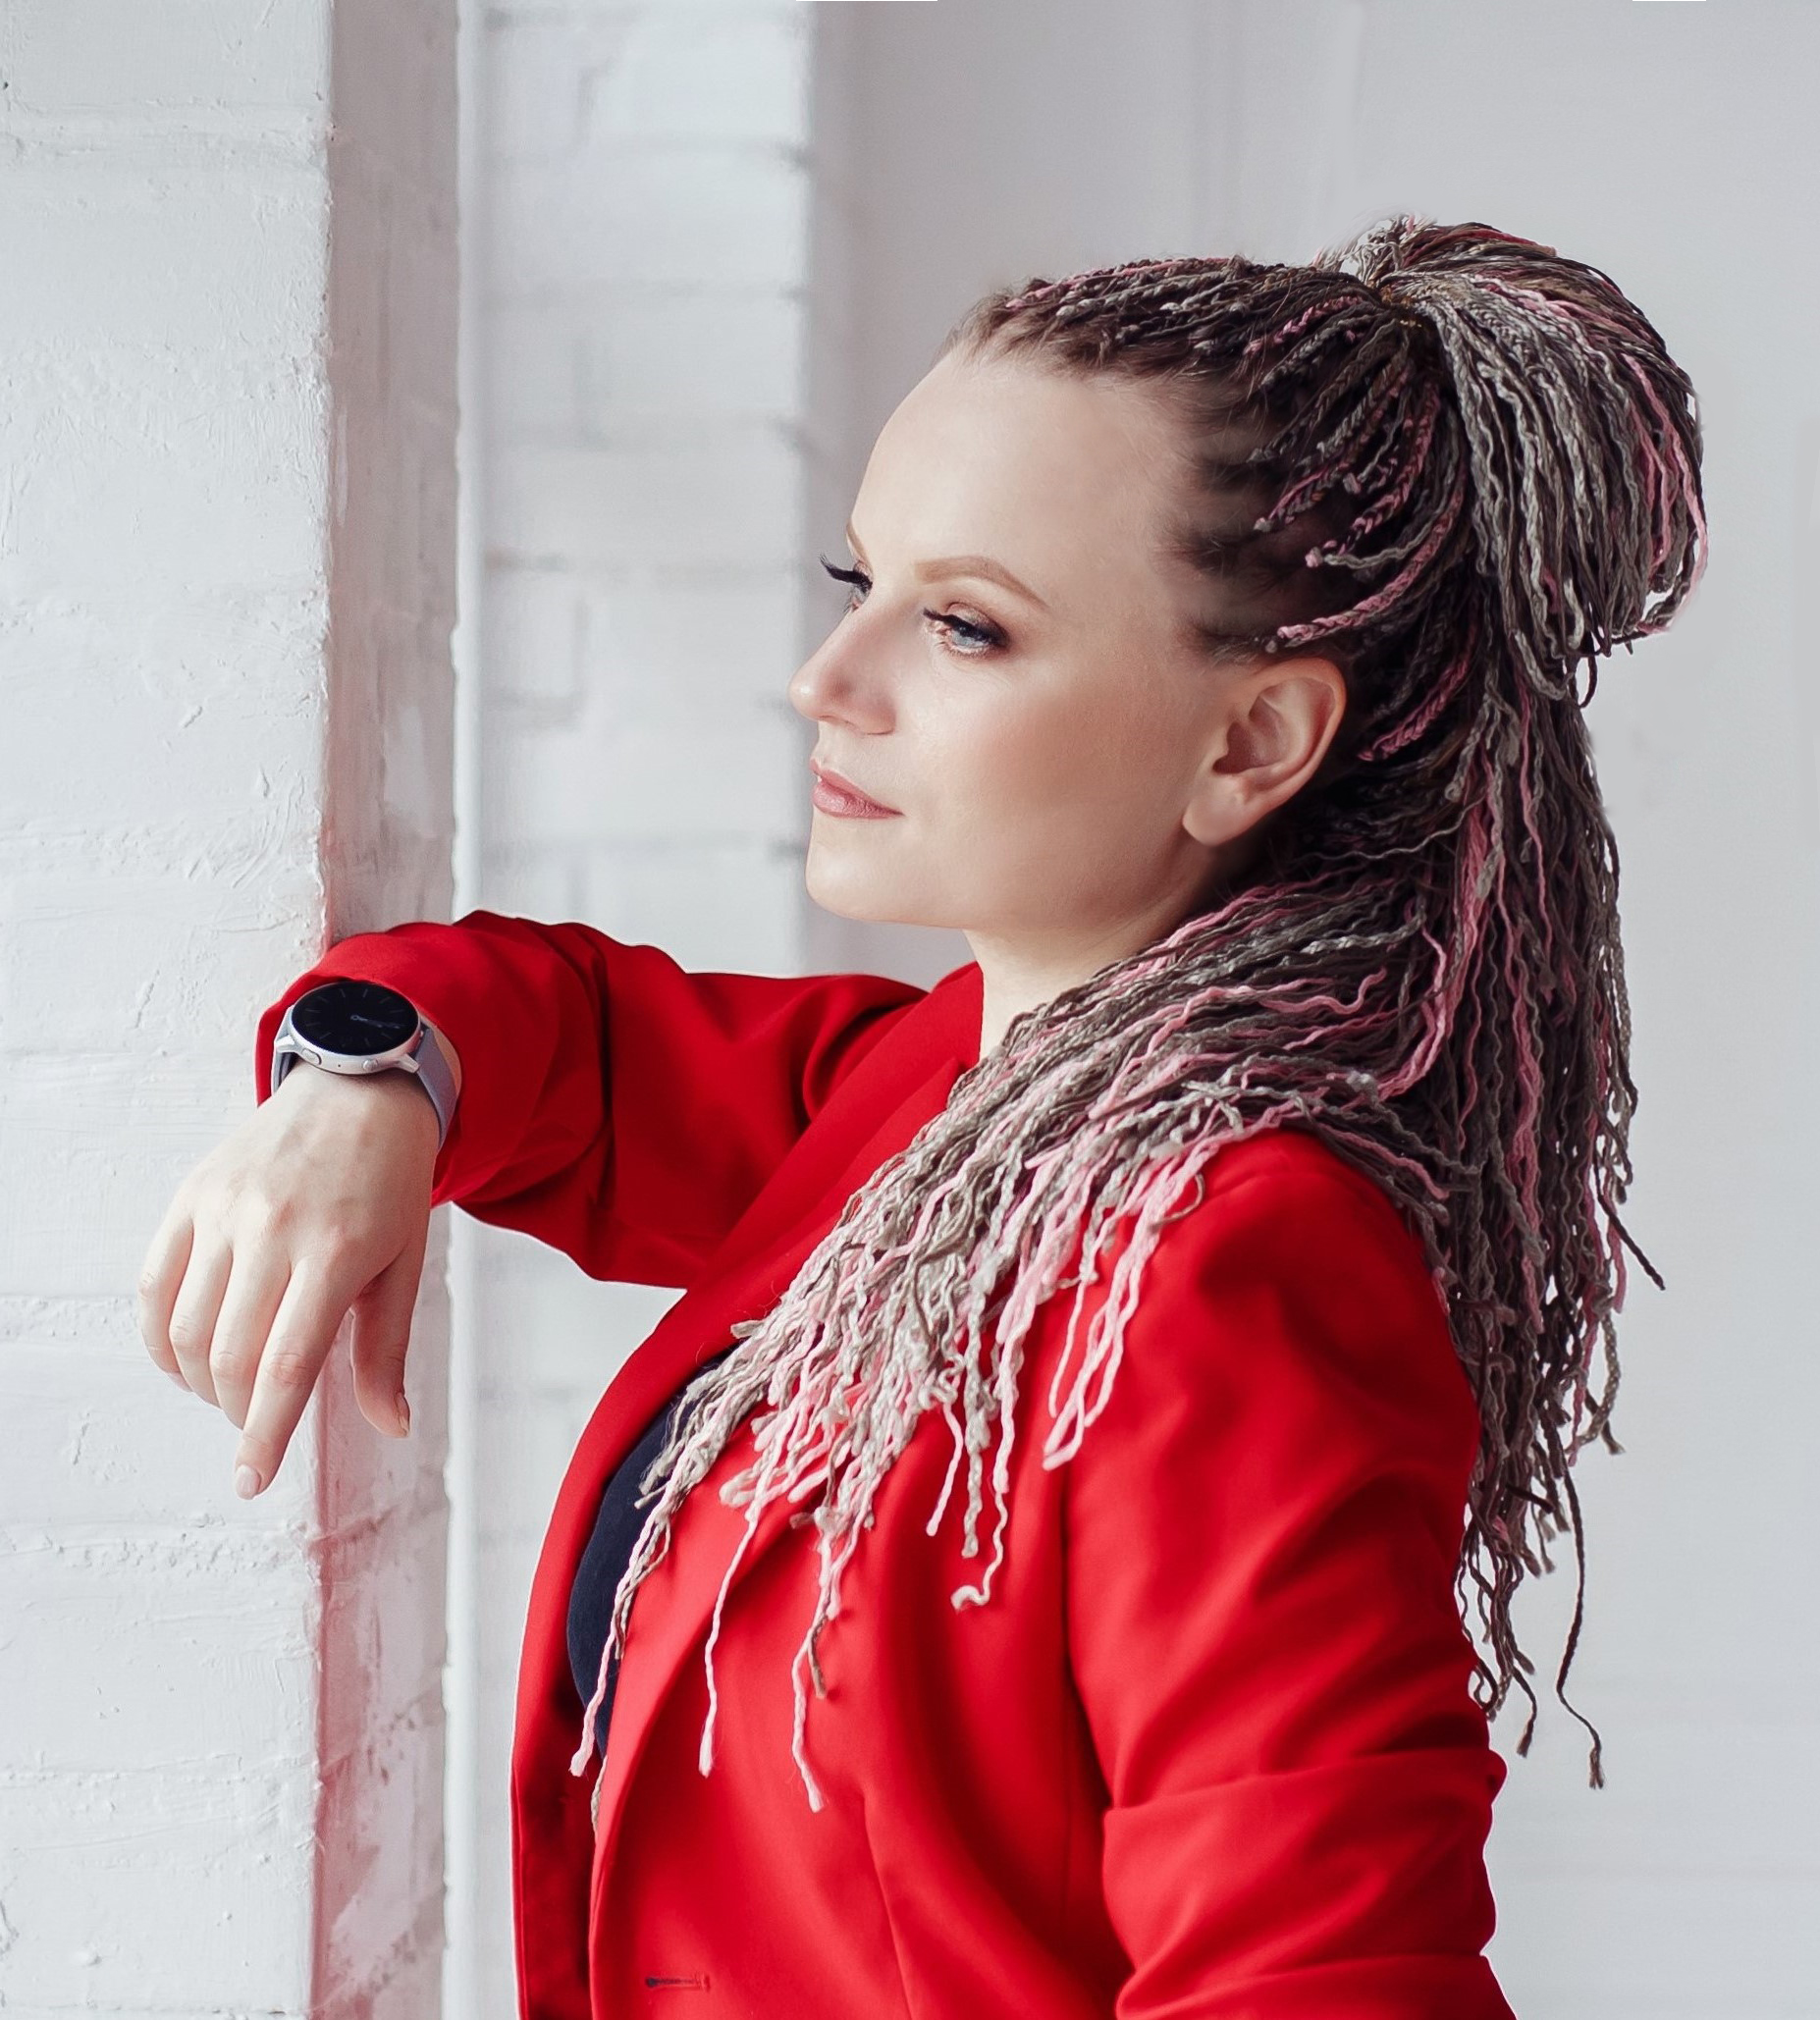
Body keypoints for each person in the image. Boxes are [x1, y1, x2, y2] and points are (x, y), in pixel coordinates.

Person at [136, 217, 1705, 2017]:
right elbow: (570, 1034)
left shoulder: (1223, 1259)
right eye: (856, 576)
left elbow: (1321, 1974)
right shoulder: (942, 1095)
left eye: (964, 624)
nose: (828, 679)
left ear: (1250, 743)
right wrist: (362, 1083)